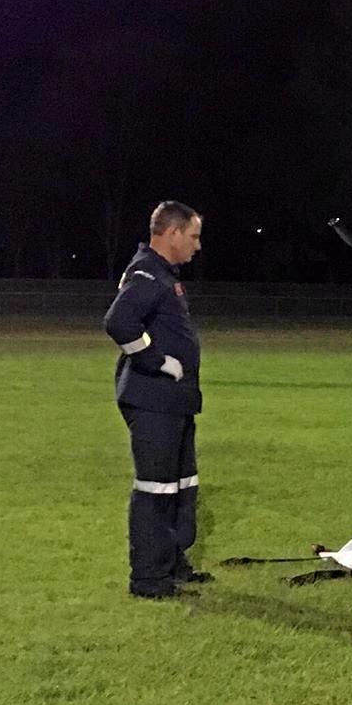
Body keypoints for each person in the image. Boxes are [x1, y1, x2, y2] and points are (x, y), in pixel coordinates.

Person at [102, 200, 206, 599]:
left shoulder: (163, 274)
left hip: (174, 402)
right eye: (194, 236)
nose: (197, 246)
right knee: (155, 490)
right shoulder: (147, 273)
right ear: (172, 233)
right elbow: (118, 321)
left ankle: (173, 564)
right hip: (153, 401)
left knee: (181, 486)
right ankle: (148, 580)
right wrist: (156, 360)